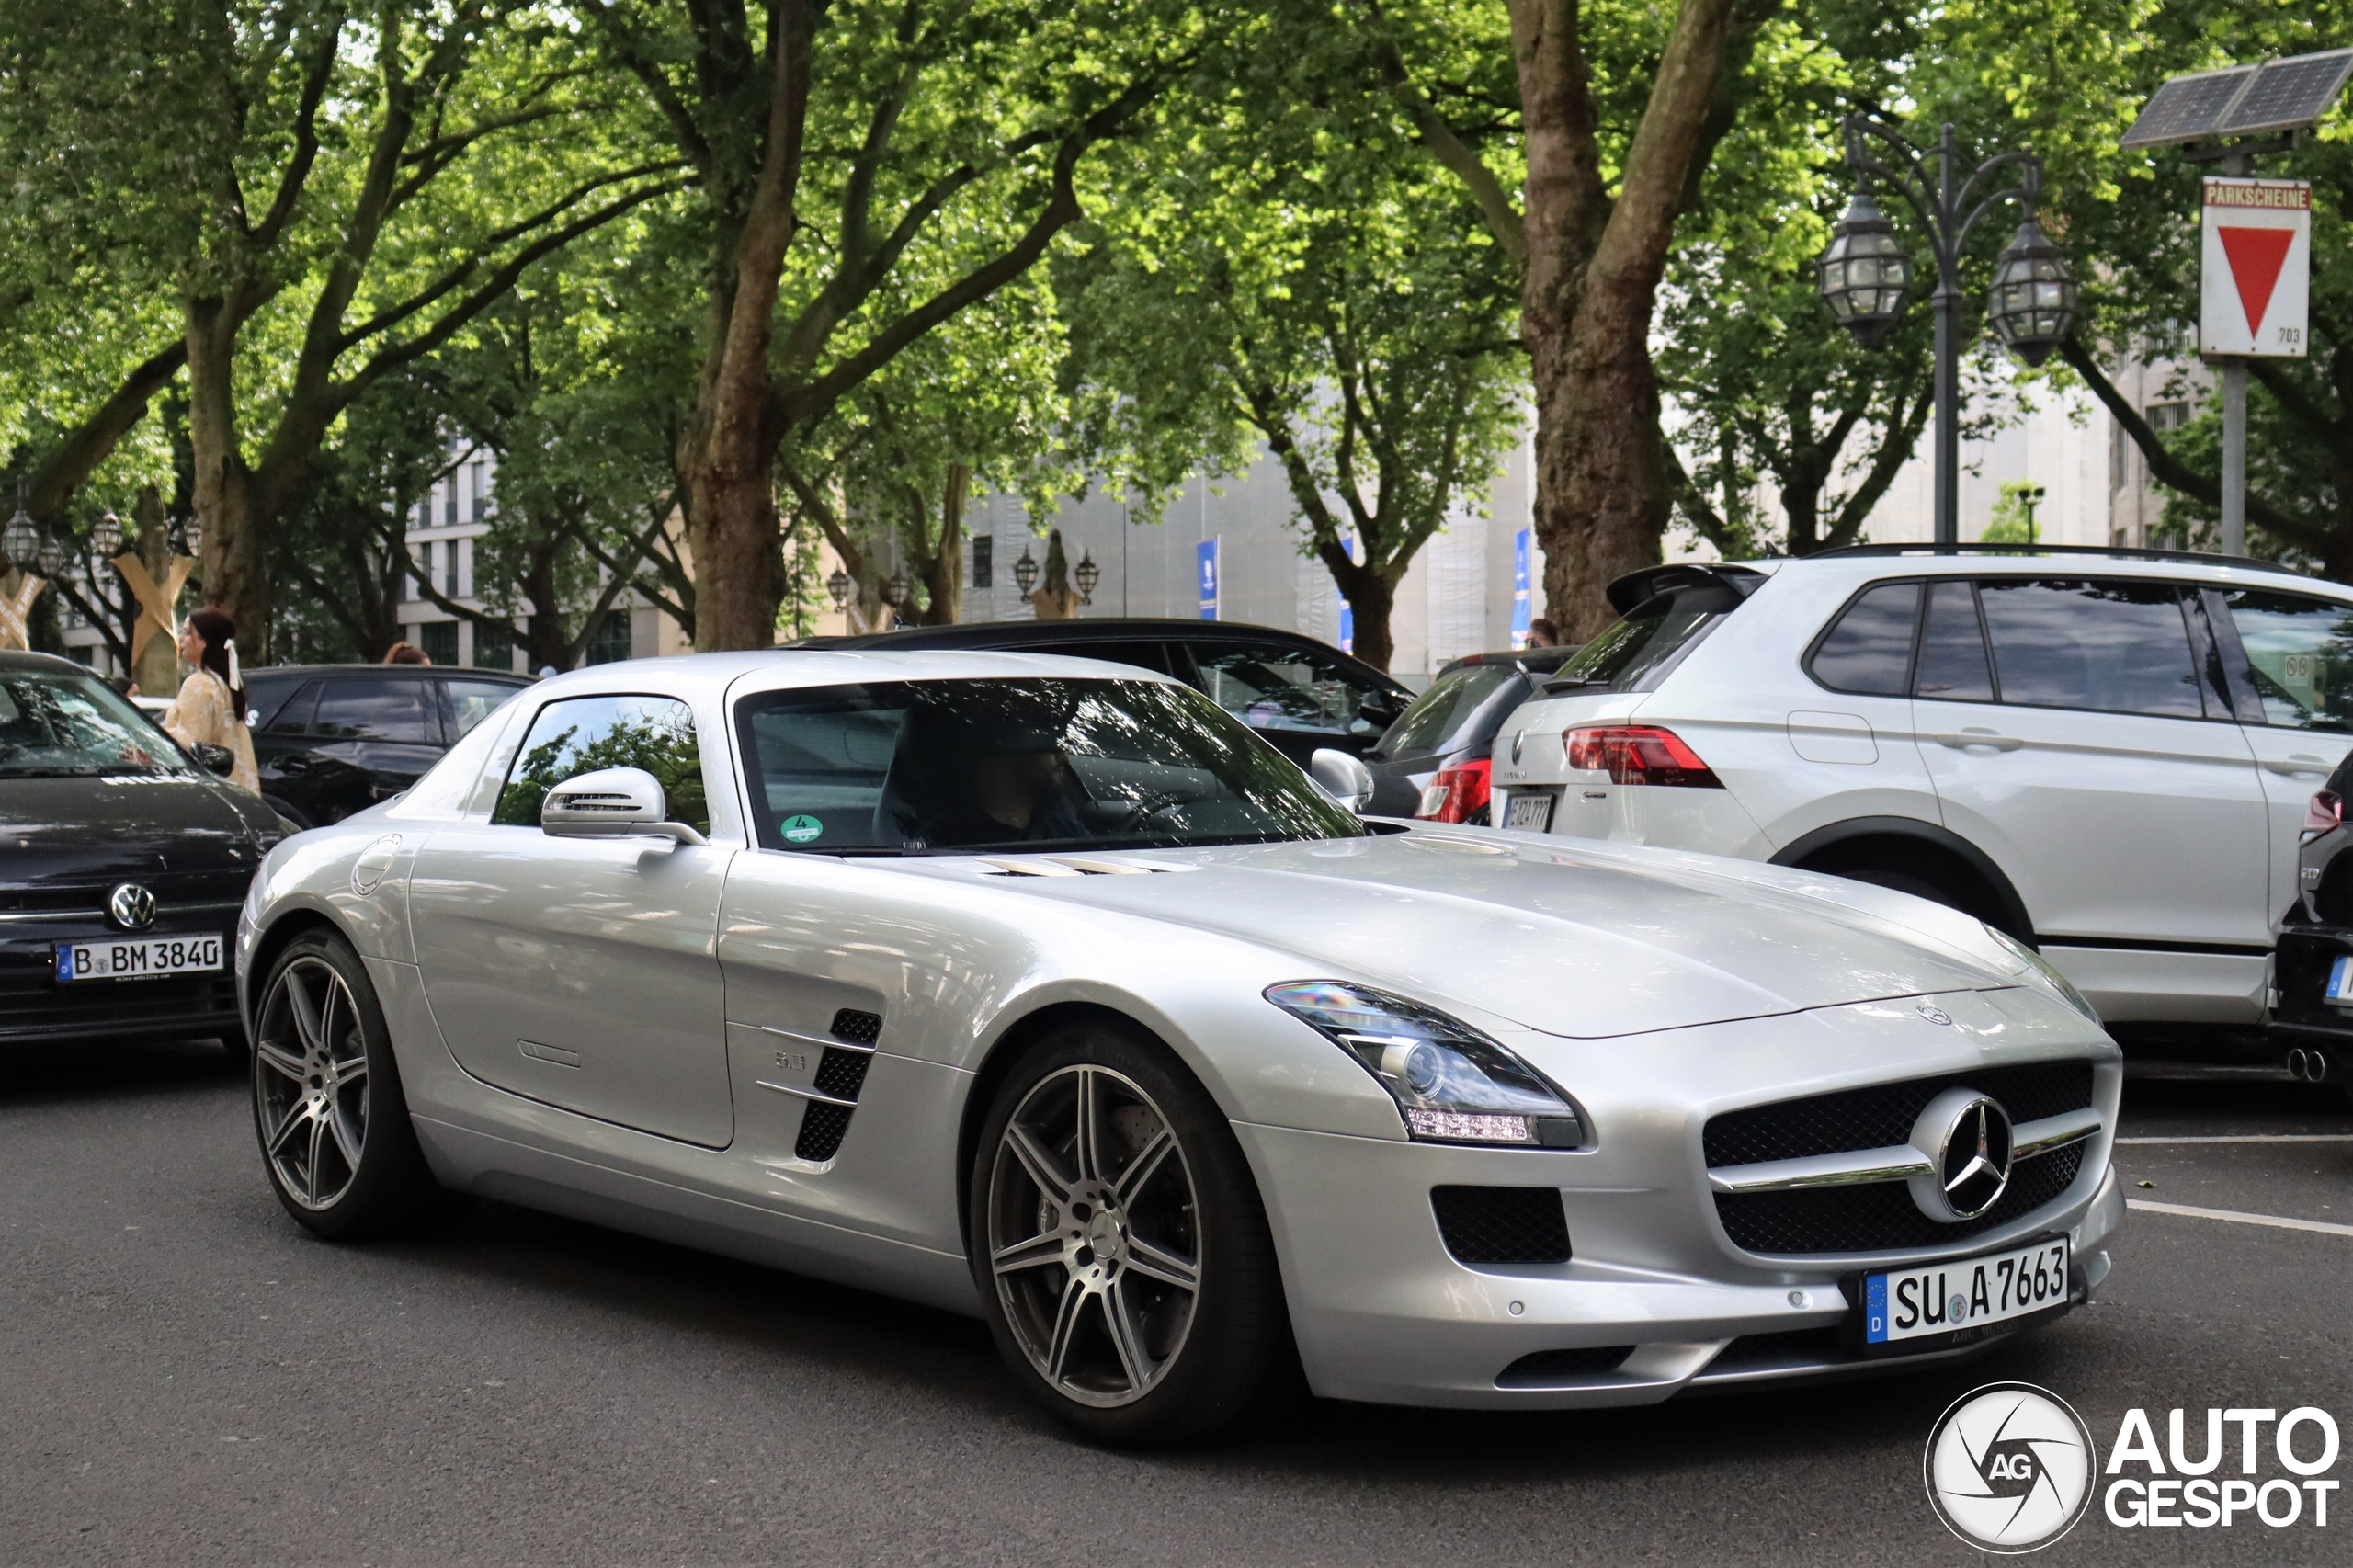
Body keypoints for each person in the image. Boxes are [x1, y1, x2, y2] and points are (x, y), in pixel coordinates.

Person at [161, 606, 259, 792]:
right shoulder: (227, 683)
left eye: (188, 633)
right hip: (236, 788)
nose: (181, 638)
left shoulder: (199, 684)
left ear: (203, 641)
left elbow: (190, 743)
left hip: (207, 791)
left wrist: (153, 738)